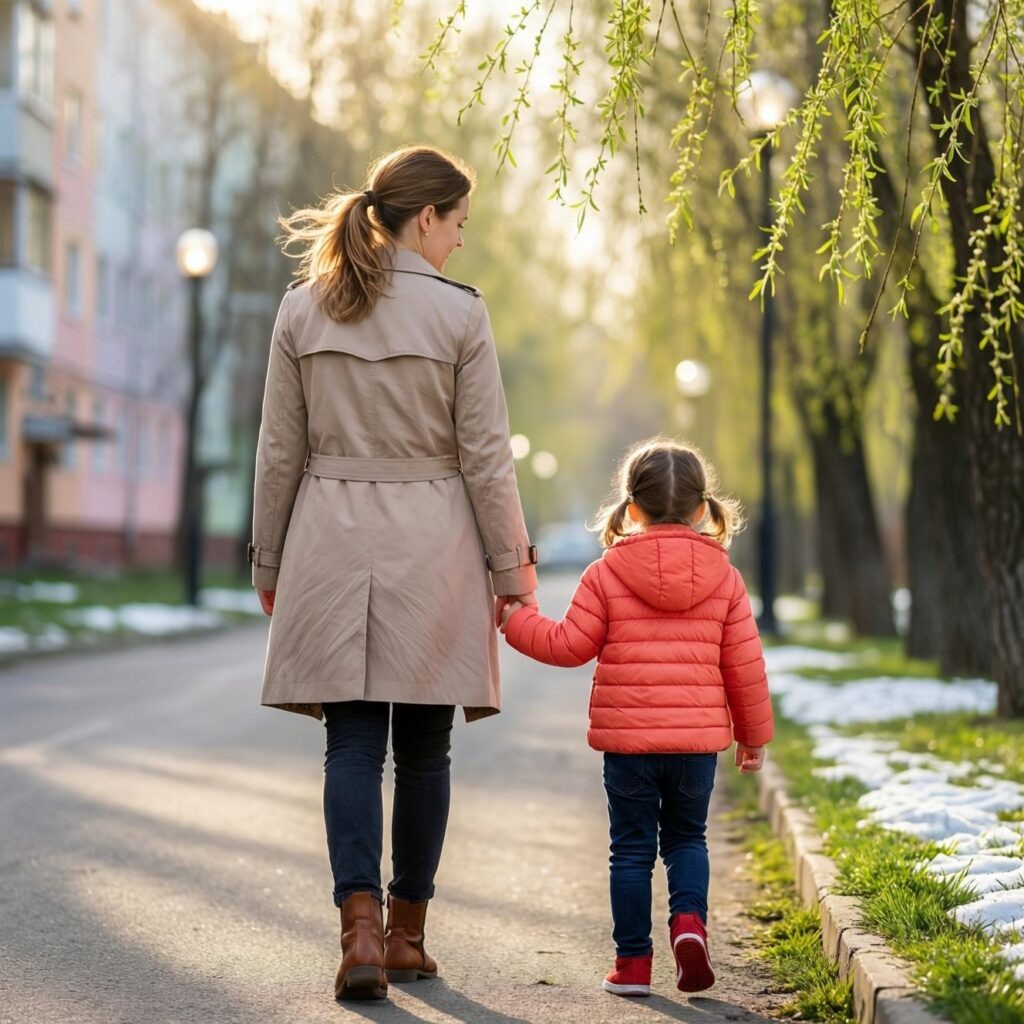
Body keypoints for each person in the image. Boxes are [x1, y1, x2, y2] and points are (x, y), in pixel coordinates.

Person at [249, 145, 538, 1002]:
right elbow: (487, 458)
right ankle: (407, 935)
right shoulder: (459, 316)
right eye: (457, 226)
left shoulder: (305, 309)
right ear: (425, 219)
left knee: (351, 741)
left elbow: (278, 456)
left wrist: (270, 559)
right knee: (423, 746)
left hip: (328, 542)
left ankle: (360, 933)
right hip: (434, 548)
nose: (459, 244)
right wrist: (511, 568)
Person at [499, 437, 773, 998]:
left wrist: (513, 619)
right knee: (686, 840)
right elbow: (745, 667)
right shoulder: (725, 578)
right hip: (696, 747)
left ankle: (632, 966)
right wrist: (753, 738)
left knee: (630, 849)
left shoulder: (607, 573)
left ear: (631, 506)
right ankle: (689, 925)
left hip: (629, 748)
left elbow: (569, 644)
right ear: (703, 508)